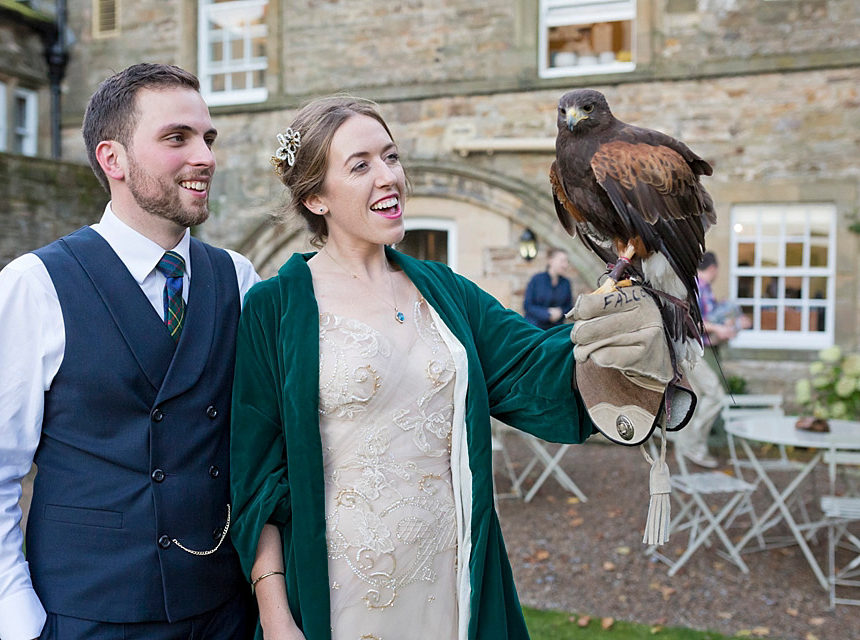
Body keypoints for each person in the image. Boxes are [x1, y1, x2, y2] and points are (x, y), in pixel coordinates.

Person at [229, 96, 680, 639]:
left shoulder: (446, 291)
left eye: (391, 157)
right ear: (316, 198)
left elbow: (534, 369)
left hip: (451, 578)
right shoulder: (273, 308)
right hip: (337, 591)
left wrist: (610, 337)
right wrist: (277, 619)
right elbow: (256, 482)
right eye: (361, 165)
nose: (388, 177)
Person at [0, 64, 260, 640]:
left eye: (207, 138)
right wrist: (22, 621)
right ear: (112, 159)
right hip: (89, 614)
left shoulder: (237, 278)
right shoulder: (34, 283)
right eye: (176, 138)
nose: (206, 156)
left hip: (223, 610)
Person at [676, 251, 749, 468]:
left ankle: (686, 447)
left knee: (696, 397)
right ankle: (694, 443)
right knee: (715, 394)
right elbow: (691, 322)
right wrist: (718, 327)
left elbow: (704, 327)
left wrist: (726, 330)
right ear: (714, 268)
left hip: (694, 348)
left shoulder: (701, 288)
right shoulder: (697, 287)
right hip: (691, 350)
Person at [523, 246, 572, 329]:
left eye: (567, 261)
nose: (566, 265)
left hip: (555, 330)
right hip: (534, 329)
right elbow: (528, 305)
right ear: (551, 260)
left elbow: (569, 307)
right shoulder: (536, 279)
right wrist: (547, 314)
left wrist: (560, 312)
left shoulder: (566, 283)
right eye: (562, 261)